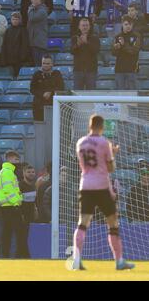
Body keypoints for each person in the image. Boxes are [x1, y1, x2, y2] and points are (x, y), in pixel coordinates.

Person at [72, 114, 134, 270]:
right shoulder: (104, 142)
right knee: (112, 224)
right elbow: (110, 168)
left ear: (89, 125)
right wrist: (112, 154)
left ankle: (76, 259)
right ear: (102, 126)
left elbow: (84, 166)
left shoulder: (80, 142)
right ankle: (119, 261)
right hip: (101, 187)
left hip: (85, 185)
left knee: (83, 223)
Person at [0, 150, 26, 258]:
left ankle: (7, 256)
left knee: (7, 234)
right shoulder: (7, 172)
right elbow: (9, 190)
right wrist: (17, 203)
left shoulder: (7, 172)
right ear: (9, 159)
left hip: (7, 207)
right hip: (10, 207)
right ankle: (16, 256)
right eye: (16, 159)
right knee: (16, 233)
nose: (18, 162)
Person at [30, 55, 64, 121]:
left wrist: (50, 92)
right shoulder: (37, 74)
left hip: (53, 104)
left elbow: (61, 87)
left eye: (48, 63)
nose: (45, 65)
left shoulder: (57, 74)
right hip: (39, 106)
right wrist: (42, 94)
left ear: (52, 64)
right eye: (44, 63)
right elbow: (32, 89)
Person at [112, 15, 141, 90]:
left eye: (130, 24)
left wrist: (124, 45)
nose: (128, 26)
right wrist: (116, 48)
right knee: (120, 95)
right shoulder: (117, 36)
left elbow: (134, 51)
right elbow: (113, 53)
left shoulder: (136, 36)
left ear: (132, 25)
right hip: (119, 70)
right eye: (126, 24)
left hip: (132, 69)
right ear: (122, 24)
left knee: (133, 95)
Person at [71, 17, 101, 90]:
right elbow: (72, 51)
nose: (85, 27)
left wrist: (87, 43)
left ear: (90, 26)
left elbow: (96, 51)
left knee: (91, 94)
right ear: (79, 26)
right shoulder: (75, 38)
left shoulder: (95, 38)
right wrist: (78, 45)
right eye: (83, 25)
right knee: (77, 93)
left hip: (91, 70)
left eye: (86, 25)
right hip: (78, 70)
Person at [1, 12, 31, 77]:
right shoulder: (8, 30)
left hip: (19, 60)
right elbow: (4, 45)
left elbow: (25, 45)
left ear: (20, 20)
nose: (15, 21)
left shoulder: (23, 30)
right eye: (13, 19)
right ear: (11, 20)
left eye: (17, 19)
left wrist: (22, 57)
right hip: (9, 59)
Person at [19, 164, 37, 258]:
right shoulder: (20, 186)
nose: (31, 174)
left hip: (31, 217)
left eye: (33, 172)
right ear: (24, 173)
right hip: (22, 218)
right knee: (22, 238)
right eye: (28, 172)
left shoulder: (34, 186)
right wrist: (21, 215)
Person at [27, 0, 48, 66]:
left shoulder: (42, 11)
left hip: (39, 43)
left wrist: (30, 9)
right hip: (34, 42)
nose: (31, 0)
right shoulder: (35, 10)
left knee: (39, 64)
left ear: (39, 0)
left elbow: (31, 18)